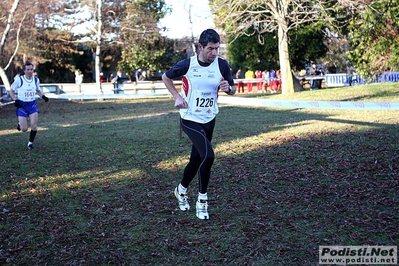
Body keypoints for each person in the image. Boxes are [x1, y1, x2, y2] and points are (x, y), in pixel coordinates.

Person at [162, 29, 236, 220]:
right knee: (209, 156)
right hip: (189, 118)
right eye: (210, 49)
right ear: (200, 47)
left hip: (209, 118)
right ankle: (202, 201)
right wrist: (177, 96)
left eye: (217, 49)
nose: (214, 53)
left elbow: (232, 87)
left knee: (197, 159)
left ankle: (180, 190)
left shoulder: (222, 65)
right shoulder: (188, 64)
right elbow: (166, 76)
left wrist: (229, 89)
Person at [9, 61, 49, 150]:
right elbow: (11, 91)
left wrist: (43, 96)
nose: (30, 71)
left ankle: (30, 143)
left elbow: (38, 90)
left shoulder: (36, 80)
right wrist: (15, 100)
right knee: (24, 129)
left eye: (31, 69)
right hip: (22, 105)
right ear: (24, 70)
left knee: (34, 125)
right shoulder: (19, 80)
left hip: (32, 104)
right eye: (28, 69)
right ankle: (20, 124)